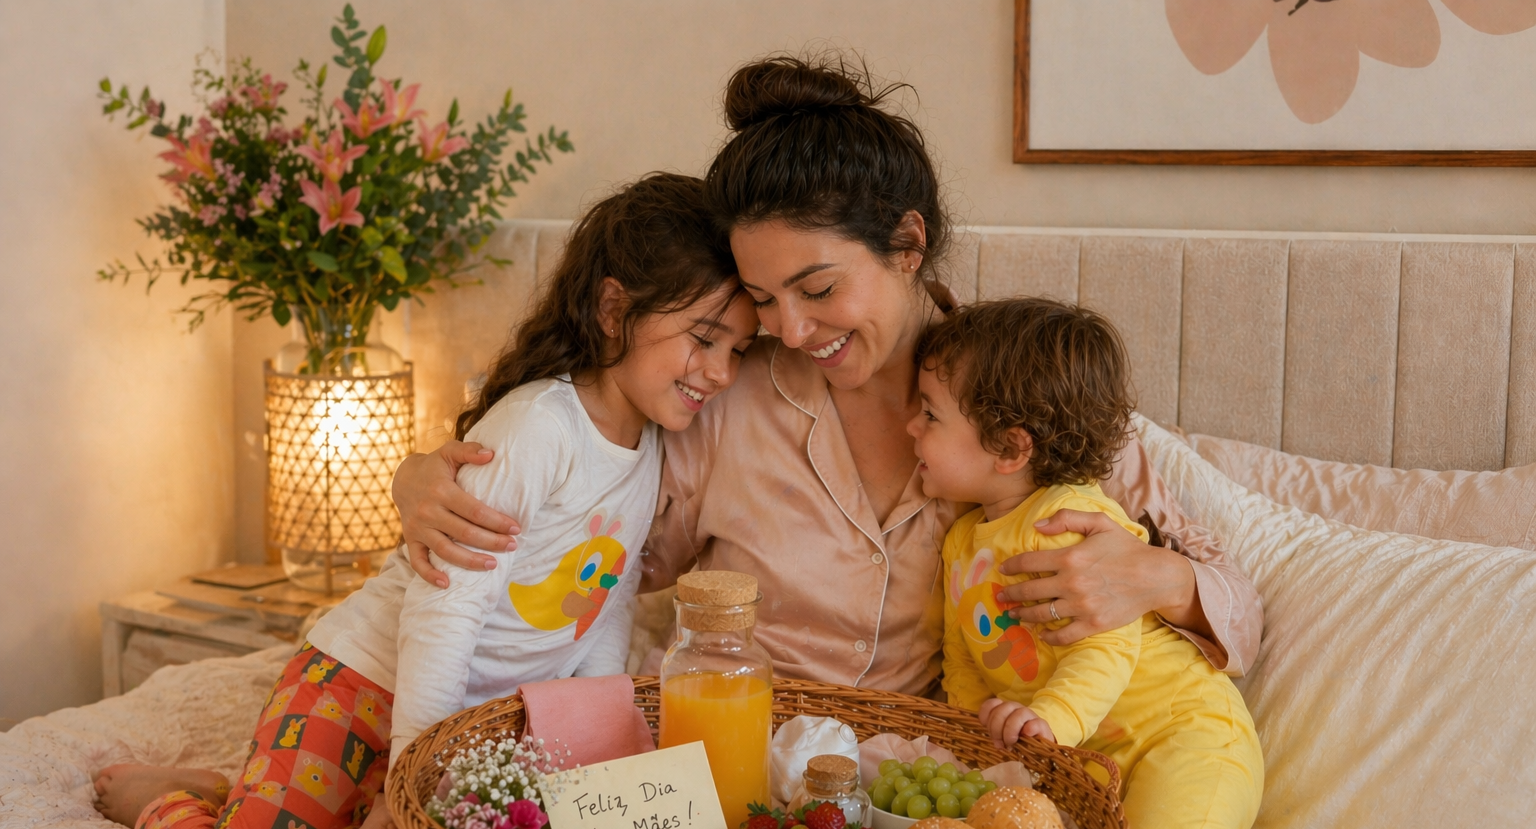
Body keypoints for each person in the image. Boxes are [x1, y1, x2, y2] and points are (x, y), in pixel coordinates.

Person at [392, 54, 1262, 701]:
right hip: (725, 758)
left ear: (908, 245)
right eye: (764, 300)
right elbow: (596, 543)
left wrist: (1165, 583)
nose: (791, 332)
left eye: (818, 289)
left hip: (920, 783)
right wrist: (434, 477)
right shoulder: (728, 398)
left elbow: (1245, 616)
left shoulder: (1025, 393)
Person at [92, 173, 758, 829]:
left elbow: (605, 606)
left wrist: (594, 741)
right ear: (613, 310)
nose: (722, 373)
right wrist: (412, 776)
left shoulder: (655, 446)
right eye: (704, 339)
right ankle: (165, 799)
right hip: (367, 683)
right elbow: (448, 610)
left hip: (467, 719)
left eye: (738, 349)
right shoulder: (540, 427)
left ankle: (249, 791)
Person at [911, 297, 1370, 829]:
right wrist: (973, 733)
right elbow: (965, 654)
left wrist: (1050, 720)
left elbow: (1106, 647)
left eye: (930, 415)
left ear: (1010, 448)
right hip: (1090, 760)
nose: (911, 427)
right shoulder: (964, 541)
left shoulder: (1067, 520)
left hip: (1183, 734)